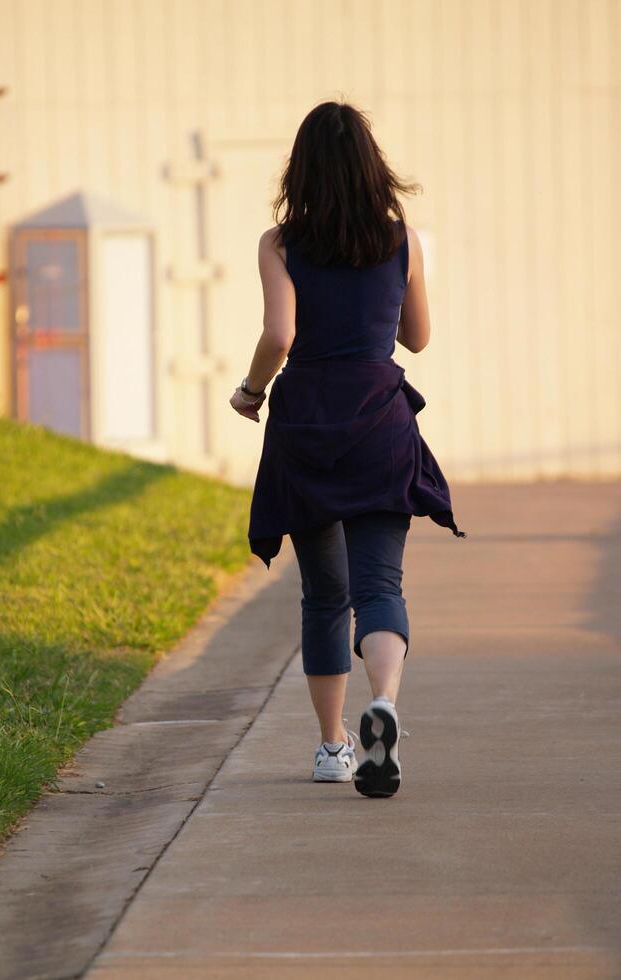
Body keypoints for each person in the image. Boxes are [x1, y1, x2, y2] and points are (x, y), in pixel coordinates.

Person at [229, 99, 467, 799]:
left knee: (325, 595)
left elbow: (280, 335)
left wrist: (249, 390)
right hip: (378, 422)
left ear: (299, 170)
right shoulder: (403, 241)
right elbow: (416, 338)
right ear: (373, 167)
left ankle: (333, 746)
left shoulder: (279, 244)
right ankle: (383, 706)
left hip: (307, 423)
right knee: (379, 587)